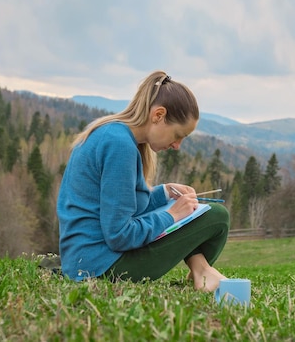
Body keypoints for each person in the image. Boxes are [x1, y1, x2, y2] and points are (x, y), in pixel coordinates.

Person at [57, 70, 230, 291]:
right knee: (216, 216)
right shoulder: (120, 146)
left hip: (85, 261)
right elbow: (120, 235)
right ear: (158, 115)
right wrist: (172, 215)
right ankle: (202, 272)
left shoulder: (114, 134)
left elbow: (123, 207)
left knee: (201, 212)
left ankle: (201, 272)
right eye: (178, 135)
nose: (177, 146)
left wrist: (164, 193)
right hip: (102, 267)